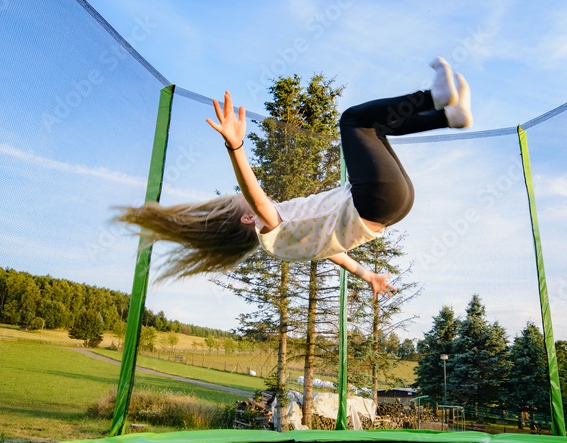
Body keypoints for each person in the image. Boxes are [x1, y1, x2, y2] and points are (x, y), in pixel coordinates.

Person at [116, 57, 473, 297]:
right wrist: (235, 147)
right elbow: (254, 194)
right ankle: (432, 97)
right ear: (247, 218)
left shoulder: (287, 244)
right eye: (236, 200)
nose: (248, 198)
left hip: (394, 207)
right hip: (375, 198)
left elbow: (333, 253)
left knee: (375, 128)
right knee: (351, 119)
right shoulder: (269, 223)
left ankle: (449, 116)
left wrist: (369, 277)